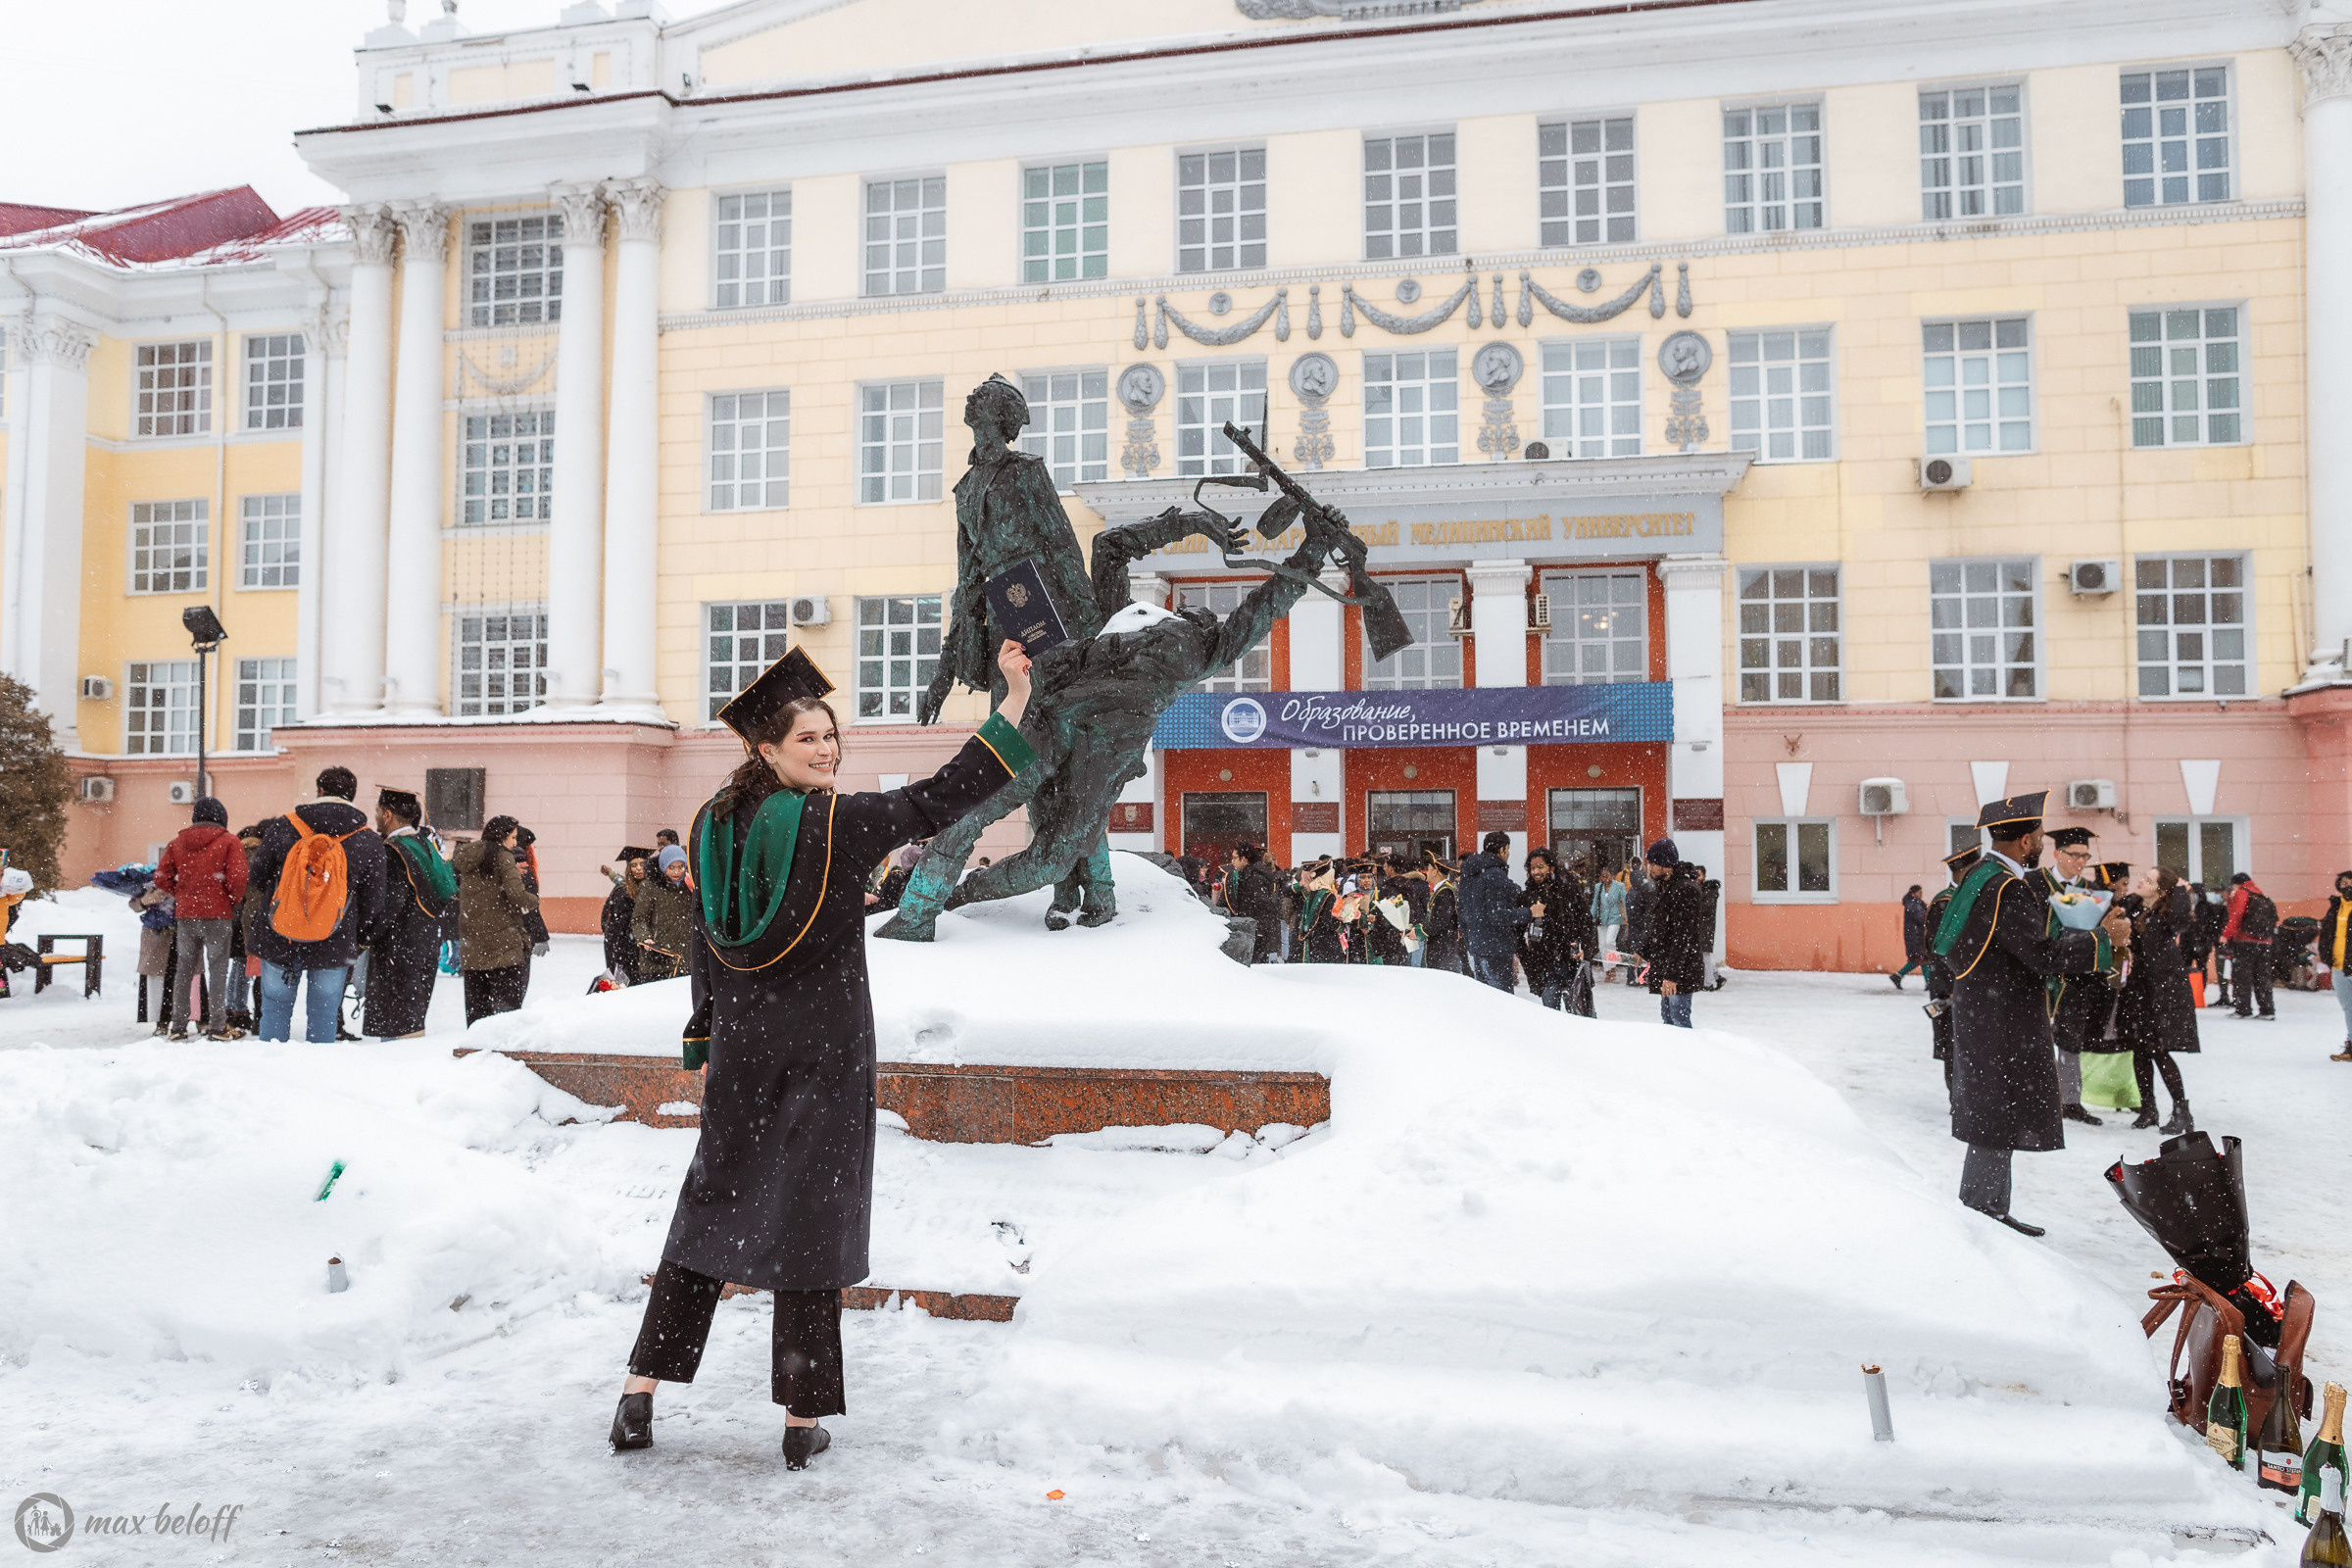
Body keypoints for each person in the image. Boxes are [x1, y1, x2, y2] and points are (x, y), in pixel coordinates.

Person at [613, 640, 1039, 1468]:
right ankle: (802, 1417)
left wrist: (705, 1027)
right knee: (810, 1220)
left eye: (830, 736)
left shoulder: (710, 825)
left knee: (710, 1206)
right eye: (808, 739)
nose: (828, 750)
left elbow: (705, 942)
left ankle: (640, 1388)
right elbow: (949, 792)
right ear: (765, 749)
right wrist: (1014, 695)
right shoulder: (833, 821)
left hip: (743, 1050)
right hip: (825, 1051)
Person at [1930, 792, 2133, 1237]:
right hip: (2002, 1016)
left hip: (1984, 1008)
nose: (2042, 839)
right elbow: (2040, 954)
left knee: (1992, 1110)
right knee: (1995, 1112)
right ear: (2026, 840)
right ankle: (1982, 1211)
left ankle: (1989, 1207)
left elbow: (1951, 946)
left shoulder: (1981, 876)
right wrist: (2103, 939)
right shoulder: (2006, 886)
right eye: (2039, 834)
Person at [247, 766, 387, 1045]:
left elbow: (258, 877)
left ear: (320, 790)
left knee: (274, 1009)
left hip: (280, 936)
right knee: (324, 1014)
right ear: (352, 795)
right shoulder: (367, 839)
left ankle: (268, 1074)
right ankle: (316, 1075)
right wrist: (352, 931)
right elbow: (374, 901)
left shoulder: (285, 825)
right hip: (334, 939)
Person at [2034, 827, 2120, 1127]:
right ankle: (2039, 1099)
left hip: (2076, 977)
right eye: (2075, 855)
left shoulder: (2092, 892)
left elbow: (2101, 934)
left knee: (2070, 1040)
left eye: (2085, 855)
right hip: (2040, 974)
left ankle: (2071, 1101)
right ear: (2057, 853)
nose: (2081, 861)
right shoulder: (2034, 883)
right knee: (2036, 1038)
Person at [365, 787, 457, 1039]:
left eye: (377, 812)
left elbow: (390, 904)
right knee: (414, 1014)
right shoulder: (426, 844)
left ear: (387, 814)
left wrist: (366, 936)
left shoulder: (394, 850)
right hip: (426, 937)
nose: (376, 817)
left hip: (399, 943)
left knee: (398, 1023)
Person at [153, 795, 248, 1040]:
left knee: (184, 969)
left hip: (186, 915)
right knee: (218, 969)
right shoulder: (229, 841)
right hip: (218, 915)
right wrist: (231, 900)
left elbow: (161, 876)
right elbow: (238, 878)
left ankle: (177, 1027)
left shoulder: (177, 843)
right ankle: (217, 1027)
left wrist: (183, 893)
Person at [2119, 865, 2200, 1132]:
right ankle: (2148, 1109)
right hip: (2138, 988)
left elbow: (2182, 919)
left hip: (2164, 991)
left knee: (2158, 1049)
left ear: (2161, 890)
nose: (2141, 881)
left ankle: (2181, 1111)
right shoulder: (2136, 908)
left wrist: (2179, 890)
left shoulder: (2166, 917)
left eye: (2149, 880)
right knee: (2139, 1050)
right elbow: (2119, 905)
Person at [453, 815, 541, 1025]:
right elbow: (517, 895)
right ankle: (501, 1053)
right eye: (512, 838)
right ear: (502, 836)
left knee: (478, 1008)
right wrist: (534, 899)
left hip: (473, 943)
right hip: (503, 943)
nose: (514, 843)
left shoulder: (468, 856)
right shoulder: (503, 857)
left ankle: (475, 1048)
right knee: (505, 1013)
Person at [1923, 844, 1981, 1093]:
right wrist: (1950, 989)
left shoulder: (1969, 899)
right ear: (1960, 873)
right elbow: (1939, 954)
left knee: (1972, 1046)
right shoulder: (1944, 904)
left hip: (1970, 986)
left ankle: (1970, 1098)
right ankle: (1957, 1100)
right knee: (1953, 1046)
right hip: (1950, 990)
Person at [1642, 837, 1709, 1028]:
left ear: (1667, 864)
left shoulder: (1686, 890)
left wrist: (1672, 976)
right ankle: (1673, 1056)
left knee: (1679, 1020)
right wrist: (1643, 951)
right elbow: (1661, 929)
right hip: (1668, 966)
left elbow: (1683, 936)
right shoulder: (1666, 886)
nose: (1650, 868)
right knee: (1668, 1019)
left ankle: (1685, 1056)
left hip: (1681, 970)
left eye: (1653, 863)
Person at [1521, 847, 1597, 1014]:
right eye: (1532, 868)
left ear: (1551, 867)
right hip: (1545, 967)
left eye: (1540, 866)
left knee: (1583, 1017)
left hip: (1572, 963)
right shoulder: (1527, 896)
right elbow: (1520, 935)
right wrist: (1531, 965)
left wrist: (1584, 948)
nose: (1536, 872)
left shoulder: (1569, 890)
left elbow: (1586, 922)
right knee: (1550, 1018)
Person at [1455, 832, 1527, 993]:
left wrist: (1470, 939)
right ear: (1502, 850)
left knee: (1486, 1001)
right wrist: (1528, 913)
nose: (1508, 854)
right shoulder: (1496, 875)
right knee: (1502, 1001)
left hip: (1477, 946)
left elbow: (1462, 911)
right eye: (1507, 850)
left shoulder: (1469, 875)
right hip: (1497, 949)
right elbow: (1499, 915)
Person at [632, 846, 697, 982]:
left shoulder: (691, 886)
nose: (677, 872)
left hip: (687, 960)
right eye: (671, 867)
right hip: (659, 958)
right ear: (663, 866)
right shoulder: (650, 887)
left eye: (681, 866)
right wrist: (645, 938)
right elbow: (639, 919)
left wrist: (695, 889)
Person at [2219, 870, 2278, 1020]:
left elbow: (2237, 915)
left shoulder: (2242, 893)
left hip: (2245, 940)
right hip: (2264, 941)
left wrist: (2226, 934)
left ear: (2235, 884)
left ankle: (2243, 1009)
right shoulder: (2259, 893)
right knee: (2262, 976)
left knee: (2241, 976)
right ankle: (2267, 1009)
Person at [601, 848, 654, 984]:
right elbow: (615, 925)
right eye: (634, 865)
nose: (638, 869)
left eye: (642, 864)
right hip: (624, 948)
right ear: (628, 869)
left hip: (644, 946)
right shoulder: (622, 891)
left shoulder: (652, 888)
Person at [2318, 868, 2352, 1061]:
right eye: (2343, 883)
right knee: (2348, 1007)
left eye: (2350, 883)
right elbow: (2327, 934)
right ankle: (2351, 1045)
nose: (2346, 887)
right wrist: (2326, 956)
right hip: (2339, 965)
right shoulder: (2336, 907)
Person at [1294, 859, 1350, 964]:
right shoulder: (1328, 895)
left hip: (1314, 938)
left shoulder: (1313, 893)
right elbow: (1326, 919)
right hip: (1326, 939)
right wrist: (1339, 926)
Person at [1421, 856, 1463, 975]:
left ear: (1435, 872)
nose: (1426, 873)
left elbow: (1440, 922)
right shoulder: (1441, 890)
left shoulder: (1445, 892)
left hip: (1443, 947)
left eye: (1428, 869)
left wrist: (1421, 931)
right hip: (1439, 946)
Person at [2186, 882, 2226, 1006]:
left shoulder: (2207, 907)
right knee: (2184, 967)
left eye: (2194, 893)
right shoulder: (2185, 906)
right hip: (2187, 943)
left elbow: (2212, 925)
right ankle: (2187, 994)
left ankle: (2199, 993)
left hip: (2202, 943)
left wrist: (2206, 939)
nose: (2192, 896)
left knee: (2202, 968)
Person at [1622, 860, 1657, 987]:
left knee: (1634, 952)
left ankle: (1632, 977)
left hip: (1635, 927)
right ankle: (1641, 977)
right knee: (1639, 952)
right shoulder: (1639, 893)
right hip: (1639, 927)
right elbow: (1640, 913)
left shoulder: (1631, 893)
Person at [1591, 866, 1627, 982]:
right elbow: (1595, 902)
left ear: (1612, 875)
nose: (1605, 878)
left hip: (1615, 918)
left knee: (1609, 941)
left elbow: (1625, 902)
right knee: (1602, 945)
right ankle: (1608, 971)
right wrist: (1591, 917)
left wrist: (1628, 918)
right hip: (1602, 919)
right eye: (1603, 876)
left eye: (1607, 875)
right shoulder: (1598, 887)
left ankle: (1613, 967)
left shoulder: (1619, 886)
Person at [1890, 884, 1929, 990]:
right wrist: (1930, 919)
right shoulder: (1913, 903)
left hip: (1916, 935)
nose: (1921, 895)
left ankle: (1898, 976)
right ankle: (1929, 983)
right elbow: (1921, 917)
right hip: (1915, 936)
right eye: (1920, 893)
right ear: (1913, 893)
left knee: (1921, 958)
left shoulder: (1913, 902)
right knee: (1921, 958)